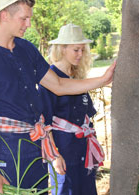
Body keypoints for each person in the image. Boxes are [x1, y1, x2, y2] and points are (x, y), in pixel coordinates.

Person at [0, 0, 116, 194]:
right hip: (7, 149)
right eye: (24, 19)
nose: (29, 24)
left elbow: (59, 85)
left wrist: (103, 79)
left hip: (36, 145)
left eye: (30, 18)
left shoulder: (26, 49)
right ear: (4, 15)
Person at [39, 23, 105, 195]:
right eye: (76, 50)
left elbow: (87, 116)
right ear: (62, 49)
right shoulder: (49, 79)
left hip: (83, 149)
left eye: (82, 50)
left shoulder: (77, 79)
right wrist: (54, 156)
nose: (80, 54)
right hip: (64, 152)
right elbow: (44, 122)